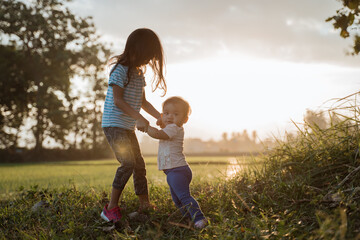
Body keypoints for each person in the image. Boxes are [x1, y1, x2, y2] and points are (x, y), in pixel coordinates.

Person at [100, 28, 166, 223]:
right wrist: (138, 118)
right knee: (127, 162)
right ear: (138, 49)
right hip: (113, 124)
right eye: (148, 55)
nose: (149, 60)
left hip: (127, 125)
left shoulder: (138, 73)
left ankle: (144, 203)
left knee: (139, 164)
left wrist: (158, 116)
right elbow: (118, 100)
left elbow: (143, 101)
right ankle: (110, 208)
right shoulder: (119, 70)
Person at [146, 96, 208, 229]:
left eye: (175, 114)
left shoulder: (174, 128)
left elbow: (158, 134)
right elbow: (163, 128)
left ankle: (200, 218)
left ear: (184, 119)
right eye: (166, 113)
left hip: (177, 170)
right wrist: (161, 121)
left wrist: (146, 127)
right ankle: (188, 219)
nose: (170, 117)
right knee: (178, 200)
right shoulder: (169, 127)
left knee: (184, 197)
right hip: (174, 171)